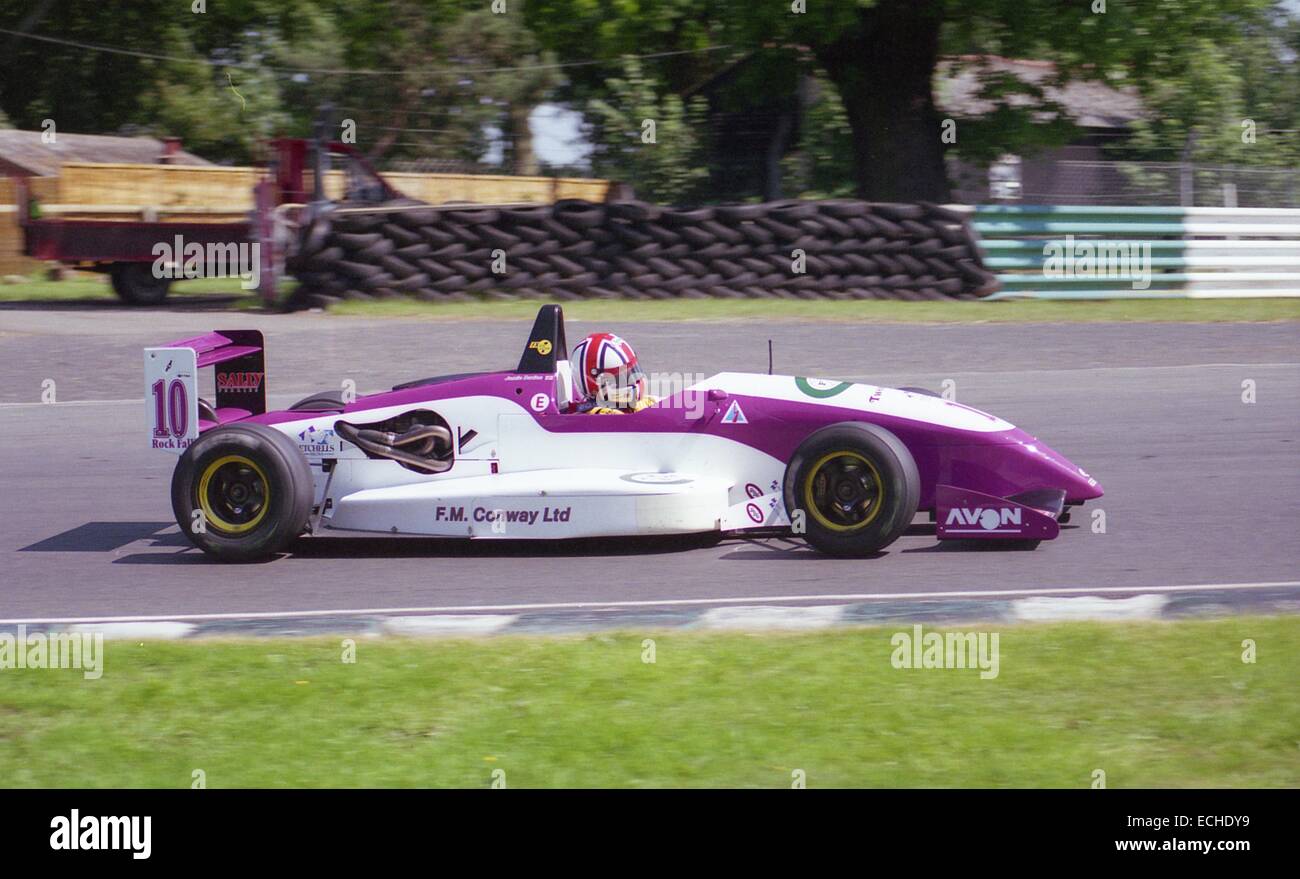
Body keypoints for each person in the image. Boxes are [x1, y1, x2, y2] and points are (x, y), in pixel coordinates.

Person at [568, 332, 656, 414]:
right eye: (622, 378)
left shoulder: (628, 405)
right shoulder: (604, 416)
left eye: (633, 371)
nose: (634, 381)